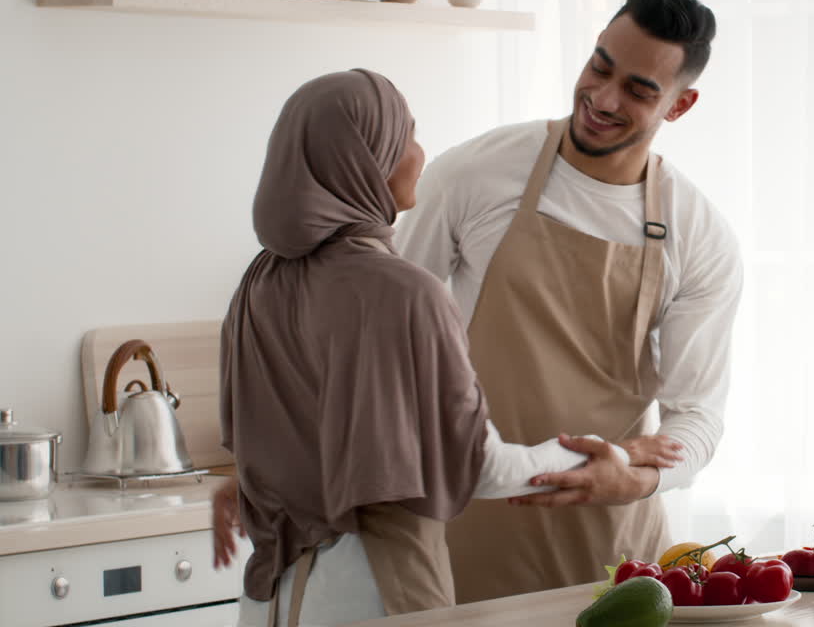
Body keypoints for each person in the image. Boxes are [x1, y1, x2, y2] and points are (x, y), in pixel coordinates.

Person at [215, 69, 634, 627]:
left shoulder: (258, 283)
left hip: (269, 596)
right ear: (366, 160)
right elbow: (479, 466)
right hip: (375, 591)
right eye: (406, 137)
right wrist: (599, 455)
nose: (419, 153)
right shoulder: (403, 292)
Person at [394, 0, 744, 603]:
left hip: (614, 549)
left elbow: (697, 414)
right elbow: (387, 337)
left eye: (638, 90)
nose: (603, 99)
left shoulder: (698, 232)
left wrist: (635, 481)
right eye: (599, 67)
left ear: (680, 105)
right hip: (466, 526)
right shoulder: (476, 173)